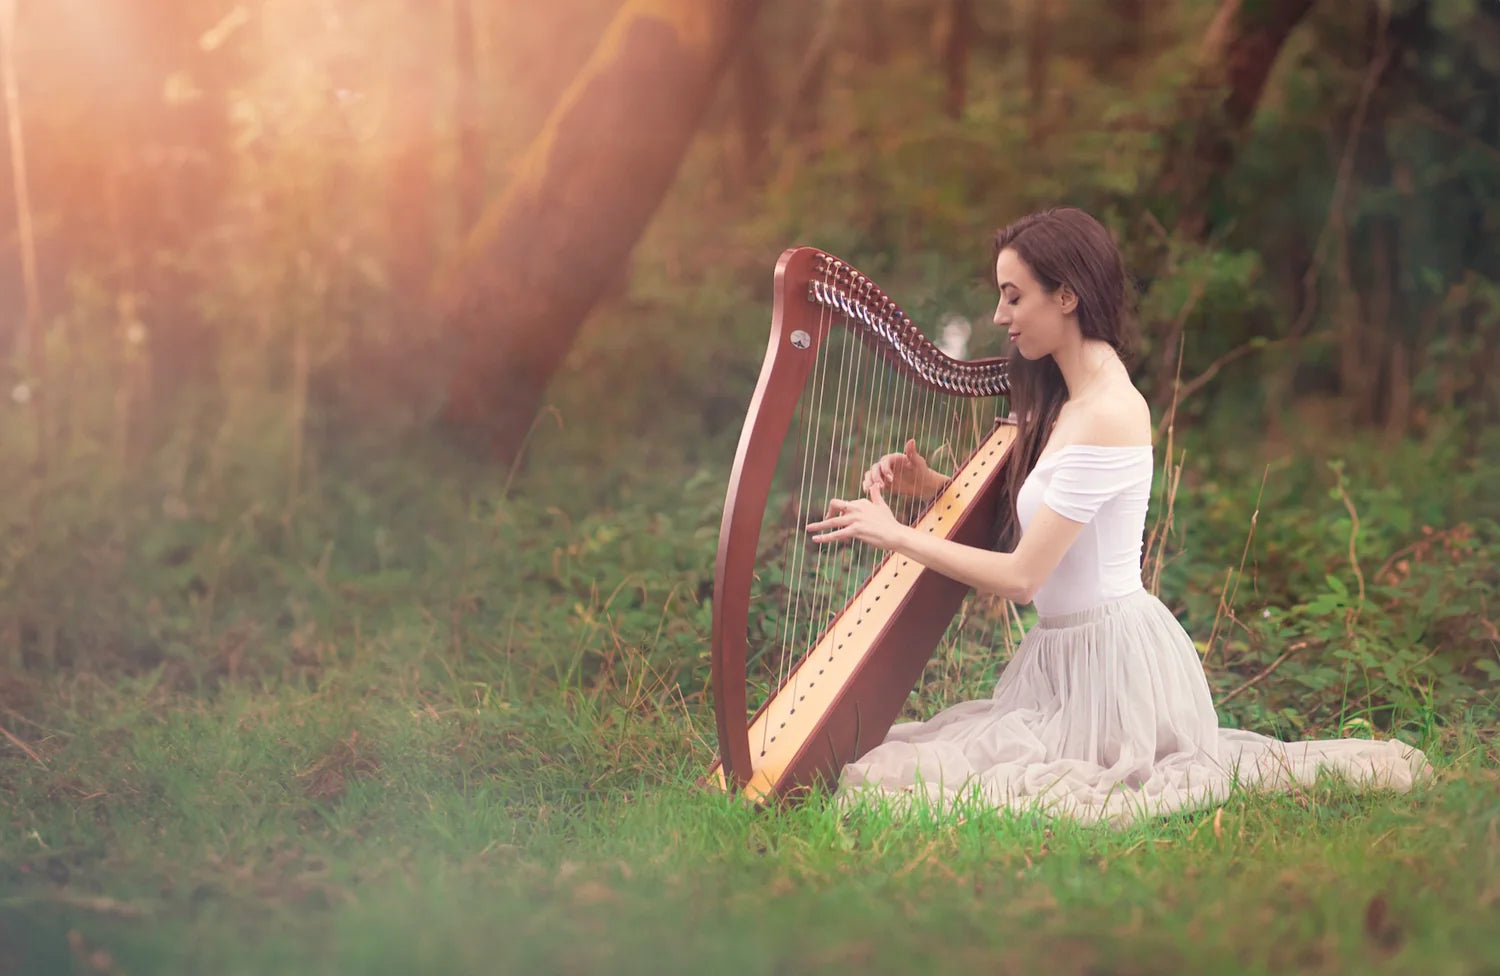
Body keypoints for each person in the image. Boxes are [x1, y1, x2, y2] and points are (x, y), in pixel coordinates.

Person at [803, 207, 1429, 826]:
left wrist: (895, 536)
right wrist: (932, 486)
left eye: (1014, 297)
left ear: (1067, 296)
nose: (1000, 316)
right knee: (935, 763)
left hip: (1109, 662)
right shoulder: (1068, 399)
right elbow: (1043, 523)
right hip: (1062, 660)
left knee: (945, 781)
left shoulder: (1107, 411)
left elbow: (1023, 578)